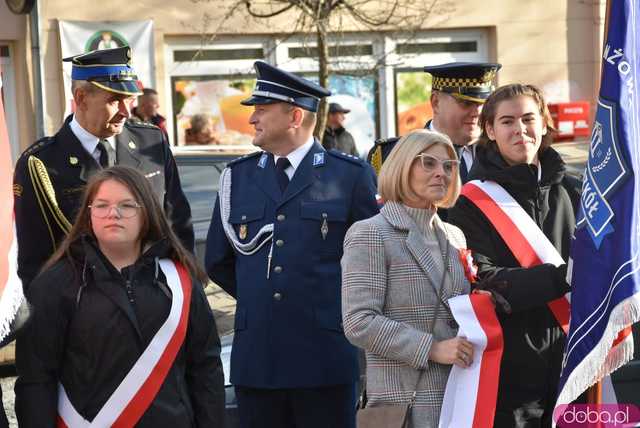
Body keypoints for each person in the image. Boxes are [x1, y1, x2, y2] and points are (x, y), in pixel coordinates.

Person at [205, 61, 379, 428]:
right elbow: (219, 260)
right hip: (259, 359)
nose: (252, 119)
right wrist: (263, 295)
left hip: (325, 357)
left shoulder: (348, 175)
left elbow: (370, 261)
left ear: (295, 116)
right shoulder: (238, 177)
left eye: (262, 110)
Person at [14, 166, 225, 427]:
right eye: (101, 205)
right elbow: (36, 380)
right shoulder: (54, 285)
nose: (113, 214)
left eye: (127, 205)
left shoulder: (180, 281)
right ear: (89, 213)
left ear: (145, 213)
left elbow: (205, 368)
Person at [448, 84, 580, 427]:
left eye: (528, 118)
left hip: (576, 362)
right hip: (510, 374)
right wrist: (561, 278)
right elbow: (484, 279)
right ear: (490, 130)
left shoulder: (575, 191)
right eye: (507, 121)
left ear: (544, 123)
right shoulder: (470, 202)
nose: (520, 129)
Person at [13, 46, 194, 289]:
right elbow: (34, 260)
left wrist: (187, 292)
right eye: (114, 100)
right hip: (83, 308)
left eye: (129, 99)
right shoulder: (42, 163)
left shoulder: (150, 142)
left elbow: (178, 222)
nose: (126, 112)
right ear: (80, 98)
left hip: (157, 300)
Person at [342, 129, 475, 428]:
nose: (441, 173)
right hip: (403, 408)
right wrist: (433, 348)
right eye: (428, 163)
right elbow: (358, 322)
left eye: (448, 166)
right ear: (402, 166)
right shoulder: (371, 233)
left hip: (461, 400)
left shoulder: (455, 236)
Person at [367, 62, 501, 183]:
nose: (477, 112)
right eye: (466, 103)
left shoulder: (501, 152)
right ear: (436, 102)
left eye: (483, 103)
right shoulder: (395, 154)